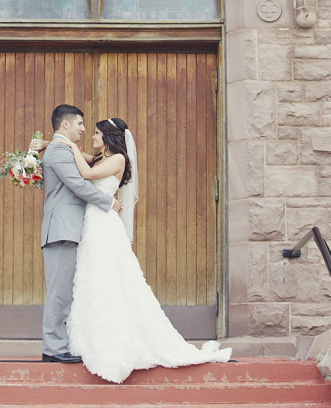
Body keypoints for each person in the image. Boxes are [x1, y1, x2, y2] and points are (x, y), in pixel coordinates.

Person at [57, 117, 232, 384]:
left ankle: (116, 343)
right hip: (92, 225)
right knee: (92, 279)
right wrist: (53, 143)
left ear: (108, 136)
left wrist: (68, 145)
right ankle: (93, 337)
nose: (91, 136)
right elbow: (86, 165)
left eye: (95, 133)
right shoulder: (99, 158)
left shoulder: (118, 159)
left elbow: (87, 175)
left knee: (108, 279)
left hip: (104, 227)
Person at [40, 104, 122, 364]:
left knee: (65, 291)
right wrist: (109, 203)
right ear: (66, 124)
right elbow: (78, 184)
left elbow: (88, 163)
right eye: (80, 124)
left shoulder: (62, 148)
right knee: (58, 293)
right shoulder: (60, 150)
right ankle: (53, 348)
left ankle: (59, 344)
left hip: (69, 228)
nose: (84, 130)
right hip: (62, 229)